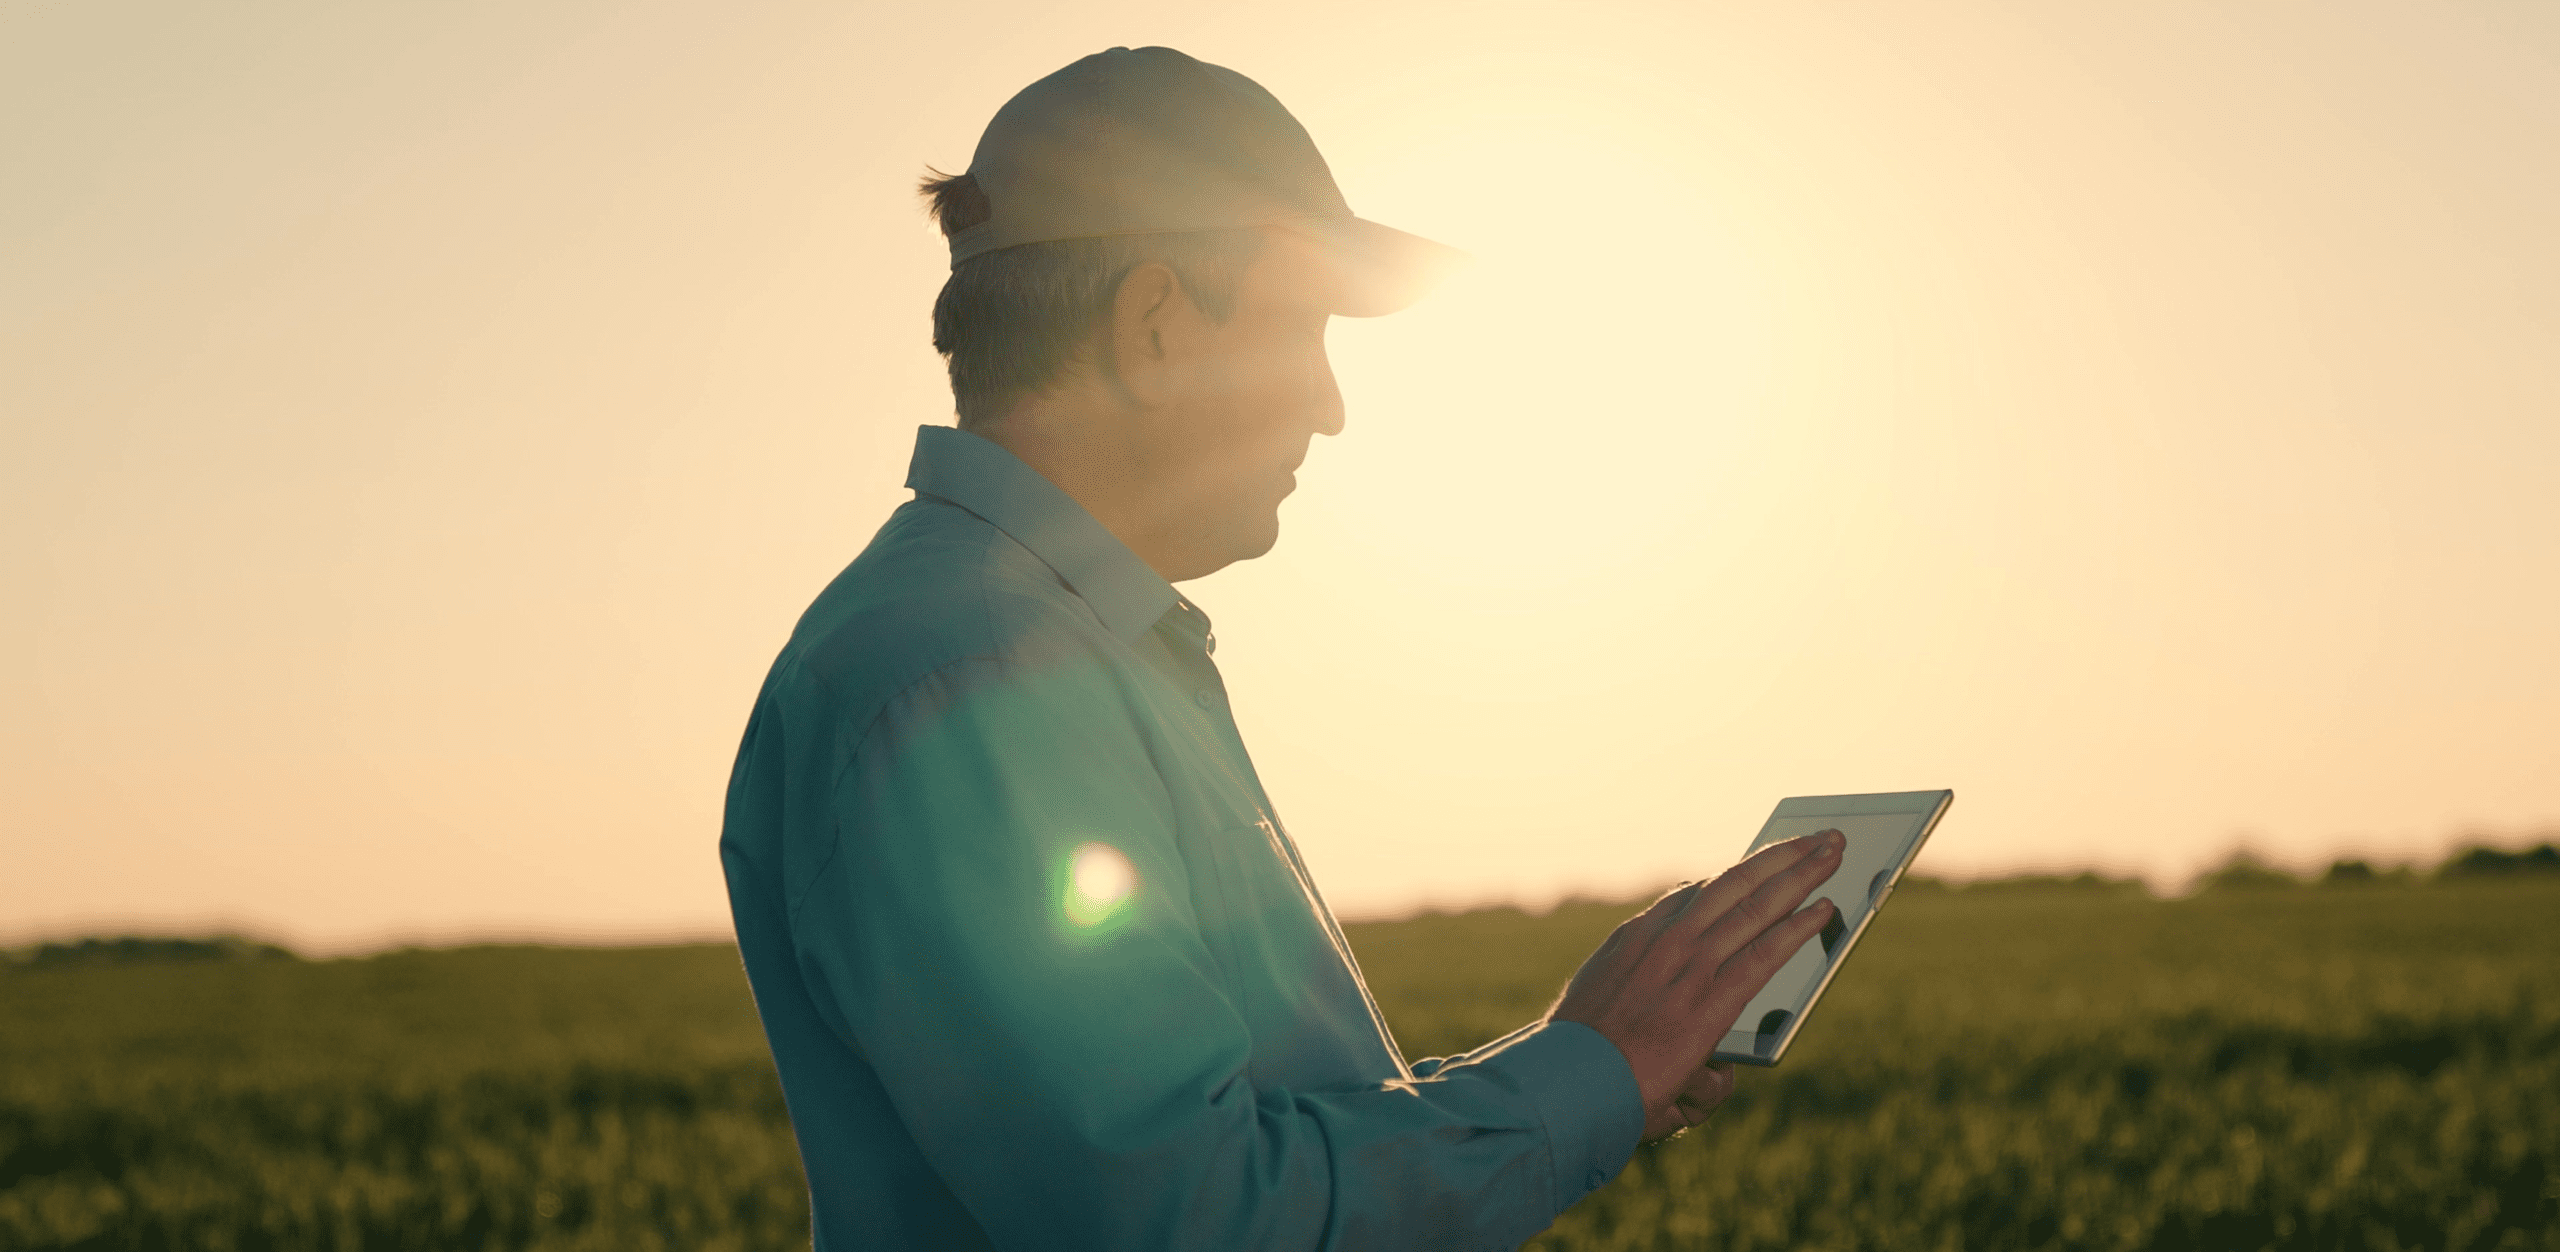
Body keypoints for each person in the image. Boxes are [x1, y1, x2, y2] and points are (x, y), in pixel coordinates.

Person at [717, 45, 1846, 1251]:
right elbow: (1195, 1217)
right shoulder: (978, 676)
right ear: (1153, 324)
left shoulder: (1027, 642)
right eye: (1301, 325)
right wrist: (1585, 1076)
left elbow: (1221, 1146)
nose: (1328, 400)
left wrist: (1585, 1064)